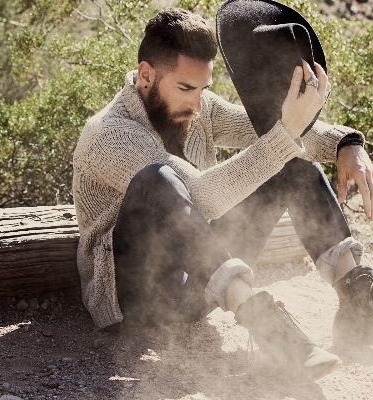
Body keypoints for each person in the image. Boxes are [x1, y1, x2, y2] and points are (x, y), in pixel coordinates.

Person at [72, 7, 373, 383]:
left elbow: (273, 125)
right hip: (139, 296)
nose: (197, 106)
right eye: (185, 89)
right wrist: (285, 134)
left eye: (204, 89)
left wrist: (345, 142)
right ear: (146, 75)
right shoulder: (108, 135)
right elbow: (199, 196)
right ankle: (268, 327)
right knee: (156, 178)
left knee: (293, 166)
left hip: (204, 280)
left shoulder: (199, 108)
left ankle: (359, 307)